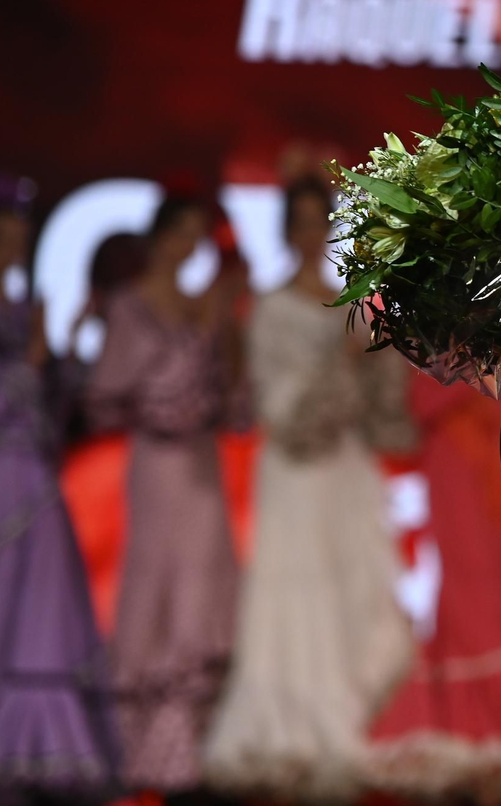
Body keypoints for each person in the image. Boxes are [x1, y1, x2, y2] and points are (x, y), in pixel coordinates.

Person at [203, 177, 416, 800]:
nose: (305, 231)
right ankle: (297, 734)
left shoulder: (347, 303)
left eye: (313, 219)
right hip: (295, 473)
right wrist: (344, 363)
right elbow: (282, 414)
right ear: (285, 229)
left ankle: (340, 725)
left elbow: (388, 417)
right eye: (294, 220)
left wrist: (380, 356)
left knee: (362, 598)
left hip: (346, 470)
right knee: (299, 596)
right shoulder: (270, 310)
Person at [0, 197, 122, 802]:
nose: (12, 250)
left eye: (19, 238)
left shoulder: (28, 316)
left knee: (46, 615)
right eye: (2, 238)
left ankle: (48, 752)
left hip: (37, 480)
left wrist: (67, 351)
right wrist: (35, 356)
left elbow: (51, 417)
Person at [85, 193, 244, 800]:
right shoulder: (129, 306)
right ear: (156, 237)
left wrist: (221, 329)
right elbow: (104, 397)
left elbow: (233, 400)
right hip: (156, 467)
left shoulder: (204, 305)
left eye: (197, 234)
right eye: (179, 232)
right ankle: (143, 759)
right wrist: (165, 381)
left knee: (202, 588)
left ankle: (193, 763)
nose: (188, 244)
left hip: (201, 465)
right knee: (154, 586)